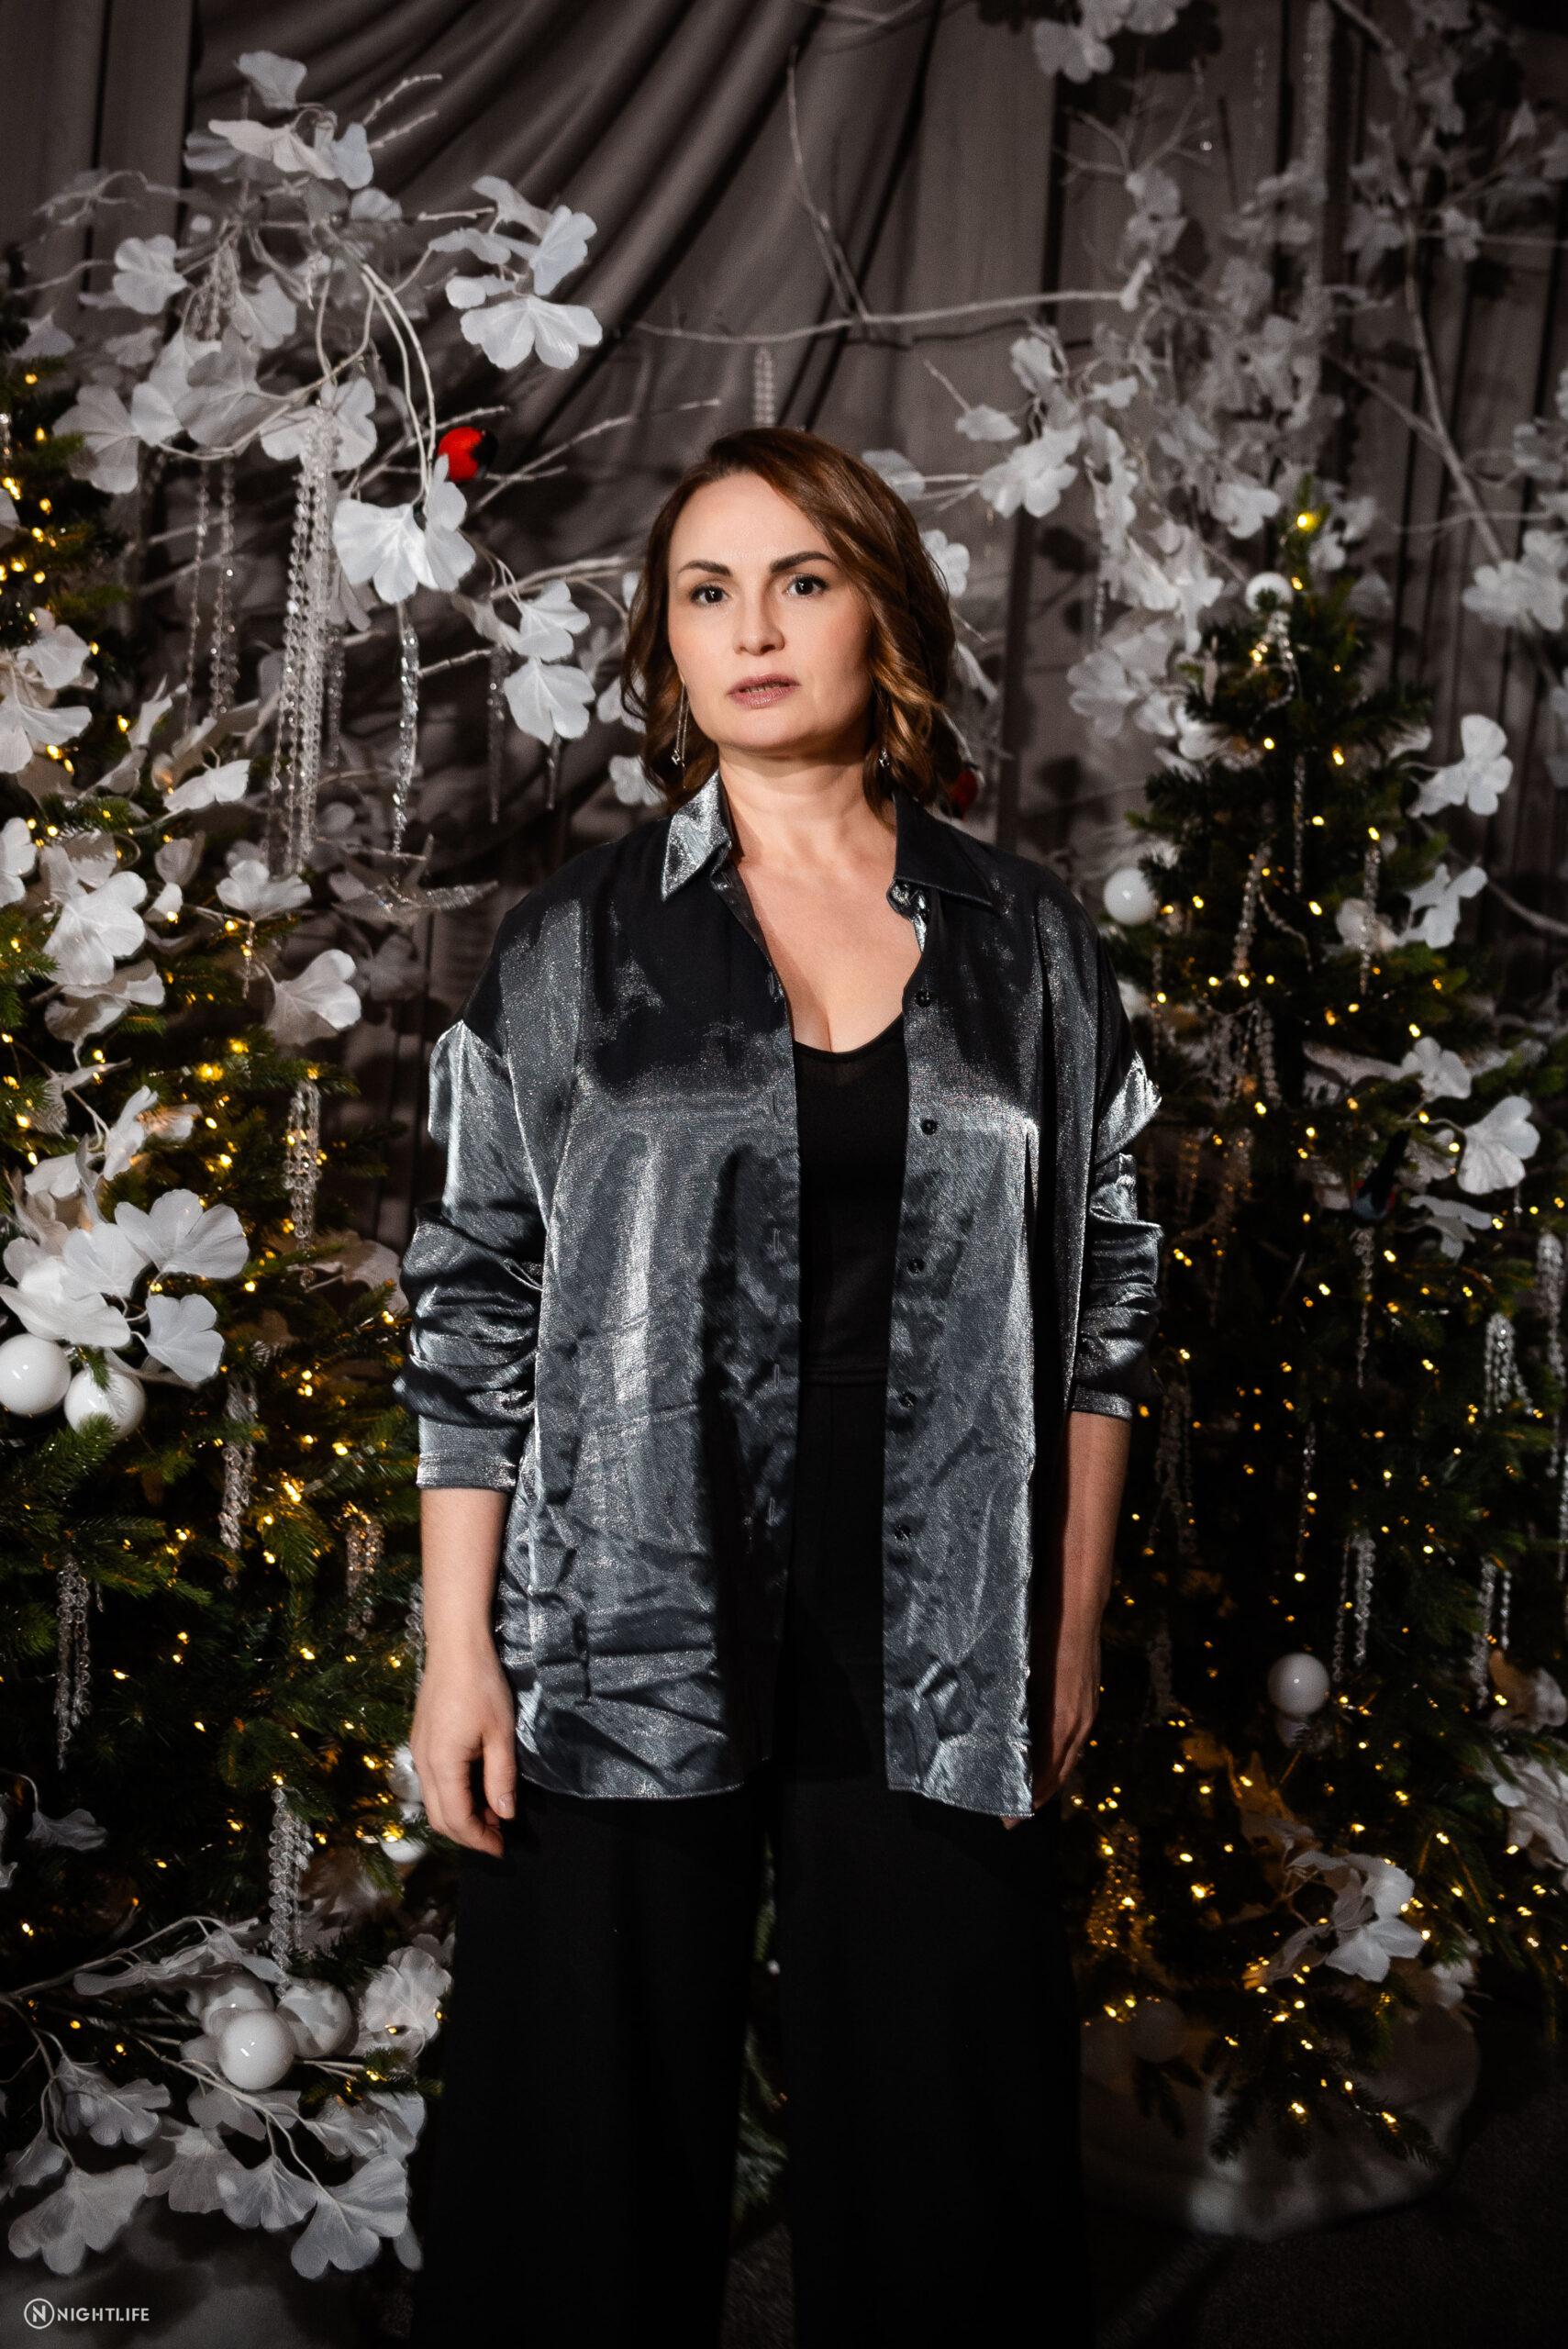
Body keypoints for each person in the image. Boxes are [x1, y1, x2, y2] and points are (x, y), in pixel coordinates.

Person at [395, 425, 1162, 2347]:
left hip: (937, 1617)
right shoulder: (572, 945)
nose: (752, 629)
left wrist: (1066, 1622)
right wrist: (459, 1650)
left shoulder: (1029, 946)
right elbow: (473, 1299)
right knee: (579, 2152)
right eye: (706, 591)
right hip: (626, 1606)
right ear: (667, 642)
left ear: (876, 611)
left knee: (947, 2156)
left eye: (800, 581)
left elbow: (1107, 1300)